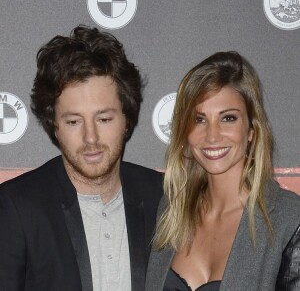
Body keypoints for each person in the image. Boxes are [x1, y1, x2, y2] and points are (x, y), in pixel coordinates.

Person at [0, 25, 163, 291]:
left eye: (104, 119)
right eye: (74, 121)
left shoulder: (165, 198)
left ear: (127, 118)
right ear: (54, 125)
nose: (91, 137)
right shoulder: (16, 209)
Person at [145, 51, 300, 291]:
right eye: (199, 119)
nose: (212, 136)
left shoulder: (288, 219)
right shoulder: (170, 210)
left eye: (228, 118)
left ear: (251, 130)